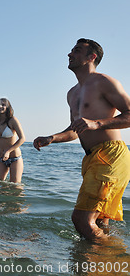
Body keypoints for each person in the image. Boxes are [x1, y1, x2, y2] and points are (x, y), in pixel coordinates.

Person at [33, 39, 130, 240]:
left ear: (91, 57)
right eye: (71, 50)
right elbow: (76, 129)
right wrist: (52, 138)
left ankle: (112, 260)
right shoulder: (72, 93)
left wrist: (98, 123)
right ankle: (101, 268)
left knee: (82, 220)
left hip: (112, 155)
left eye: (76, 51)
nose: (70, 54)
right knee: (100, 221)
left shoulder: (104, 82)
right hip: (91, 159)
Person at [0, 98, 26, 183]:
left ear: (7, 107)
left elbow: (22, 139)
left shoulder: (13, 120)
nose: (0, 106)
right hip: (1, 159)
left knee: (15, 188)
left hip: (15, 158)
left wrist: (8, 151)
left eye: (3, 105)